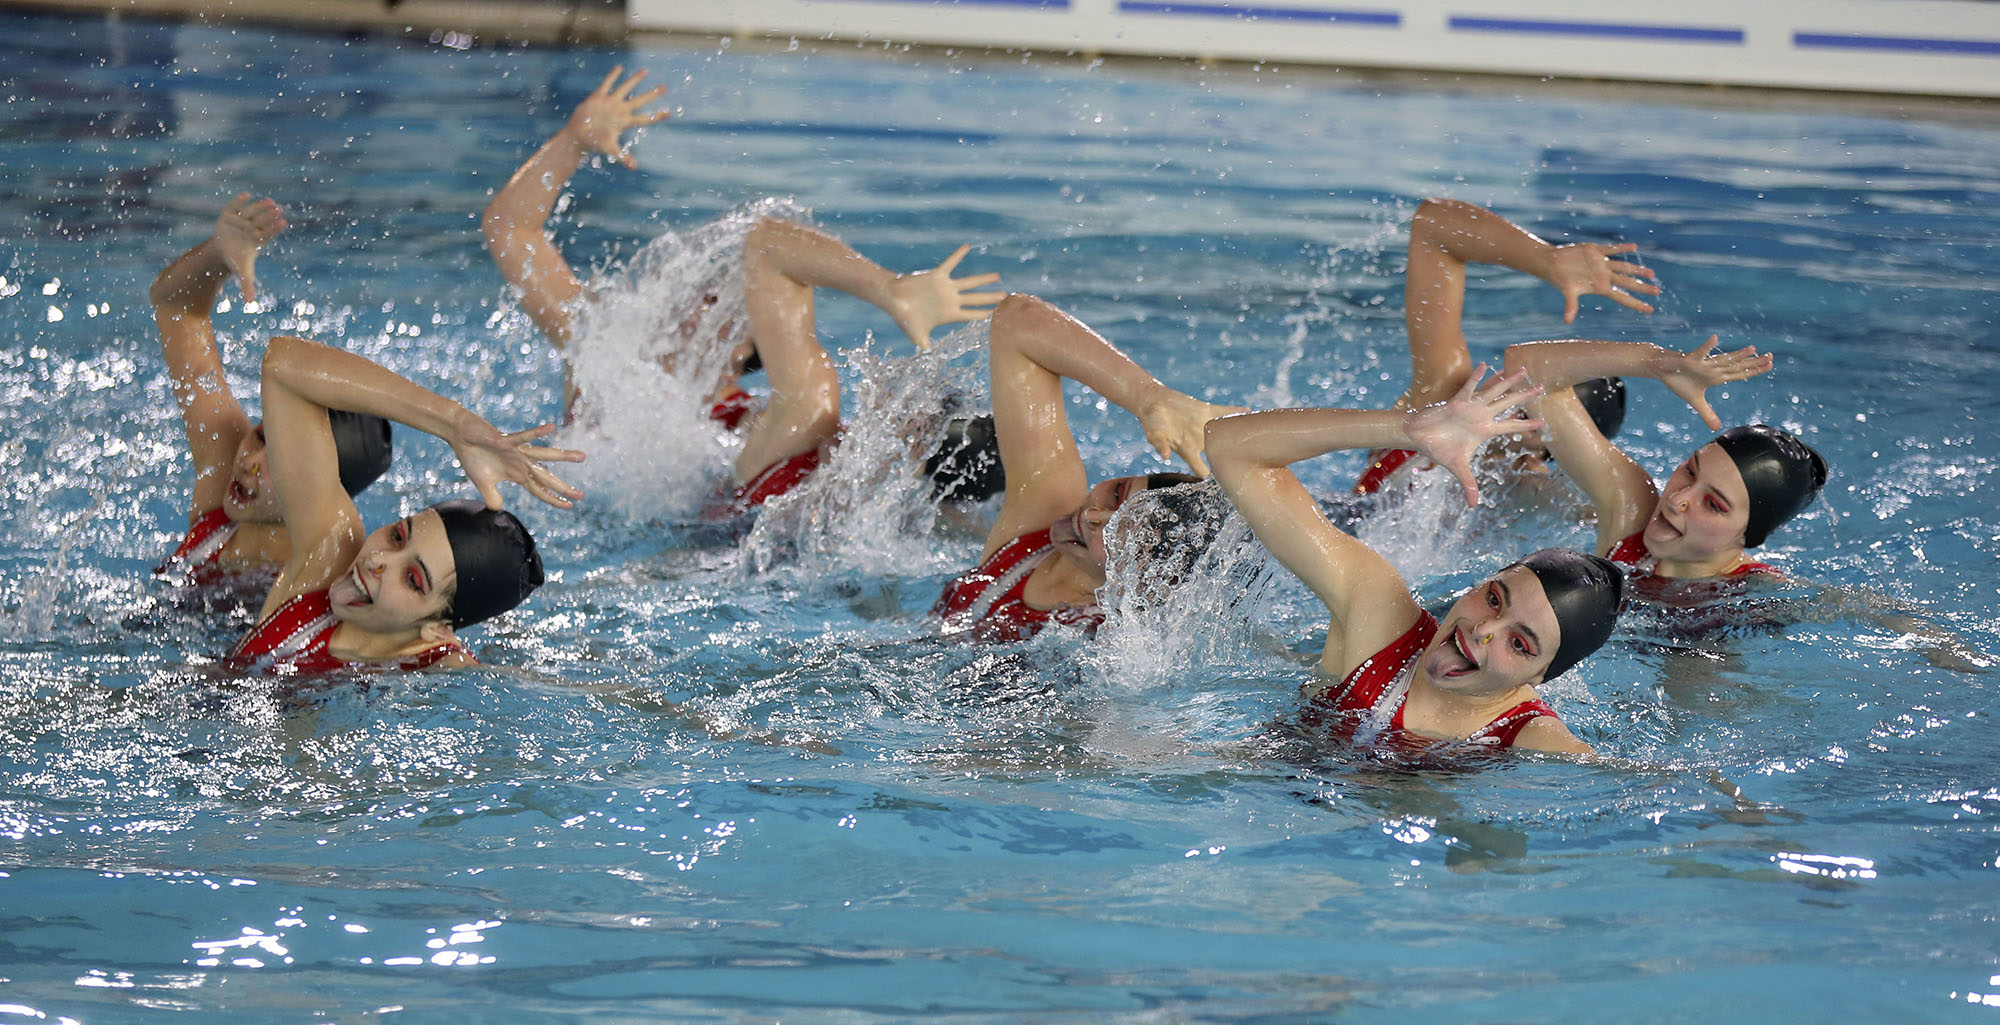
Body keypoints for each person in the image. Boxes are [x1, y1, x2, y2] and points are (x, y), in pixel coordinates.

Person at [481, 66, 1003, 510]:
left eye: (716, 303)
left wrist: (889, 289)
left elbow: (768, 246)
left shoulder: (762, 426)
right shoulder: (604, 353)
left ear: (748, 346)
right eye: (696, 290)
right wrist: (571, 143)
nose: (689, 303)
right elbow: (510, 230)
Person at [1207, 369, 1625, 755]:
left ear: (1540, 677)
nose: (1483, 631)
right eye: (1494, 600)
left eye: (1519, 644)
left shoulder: (1529, 738)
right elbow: (1229, 447)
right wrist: (1405, 429)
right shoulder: (1377, 616)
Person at [224, 334, 583, 674]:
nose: (378, 560)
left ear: (436, 631)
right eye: (397, 536)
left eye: (412, 579)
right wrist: (453, 424)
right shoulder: (326, 560)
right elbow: (282, 365)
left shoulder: (444, 670)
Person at [932, 294, 1239, 642]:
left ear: (1154, 583)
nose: (1094, 515)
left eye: (1119, 535)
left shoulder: (1118, 639)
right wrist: (1148, 397)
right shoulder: (1039, 524)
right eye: (1116, 495)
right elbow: (1016, 319)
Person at [151, 194, 394, 590]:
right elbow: (176, 309)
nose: (248, 461)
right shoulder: (224, 488)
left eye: (279, 461)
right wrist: (216, 256)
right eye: (262, 437)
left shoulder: (336, 580)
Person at [1352, 198, 1658, 498]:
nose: (1499, 400)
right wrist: (1545, 258)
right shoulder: (1438, 400)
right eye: (1511, 380)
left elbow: (1602, 506)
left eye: (1524, 413)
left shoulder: (1525, 490)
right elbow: (1432, 226)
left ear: (1549, 448)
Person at [1501, 335, 1816, 586]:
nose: (1678, 499)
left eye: (1713, 504)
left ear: (1749, 537)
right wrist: (1654, 362)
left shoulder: (1759, 592)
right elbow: (1525, 369)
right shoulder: (1631, 515)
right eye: (1690, 472)